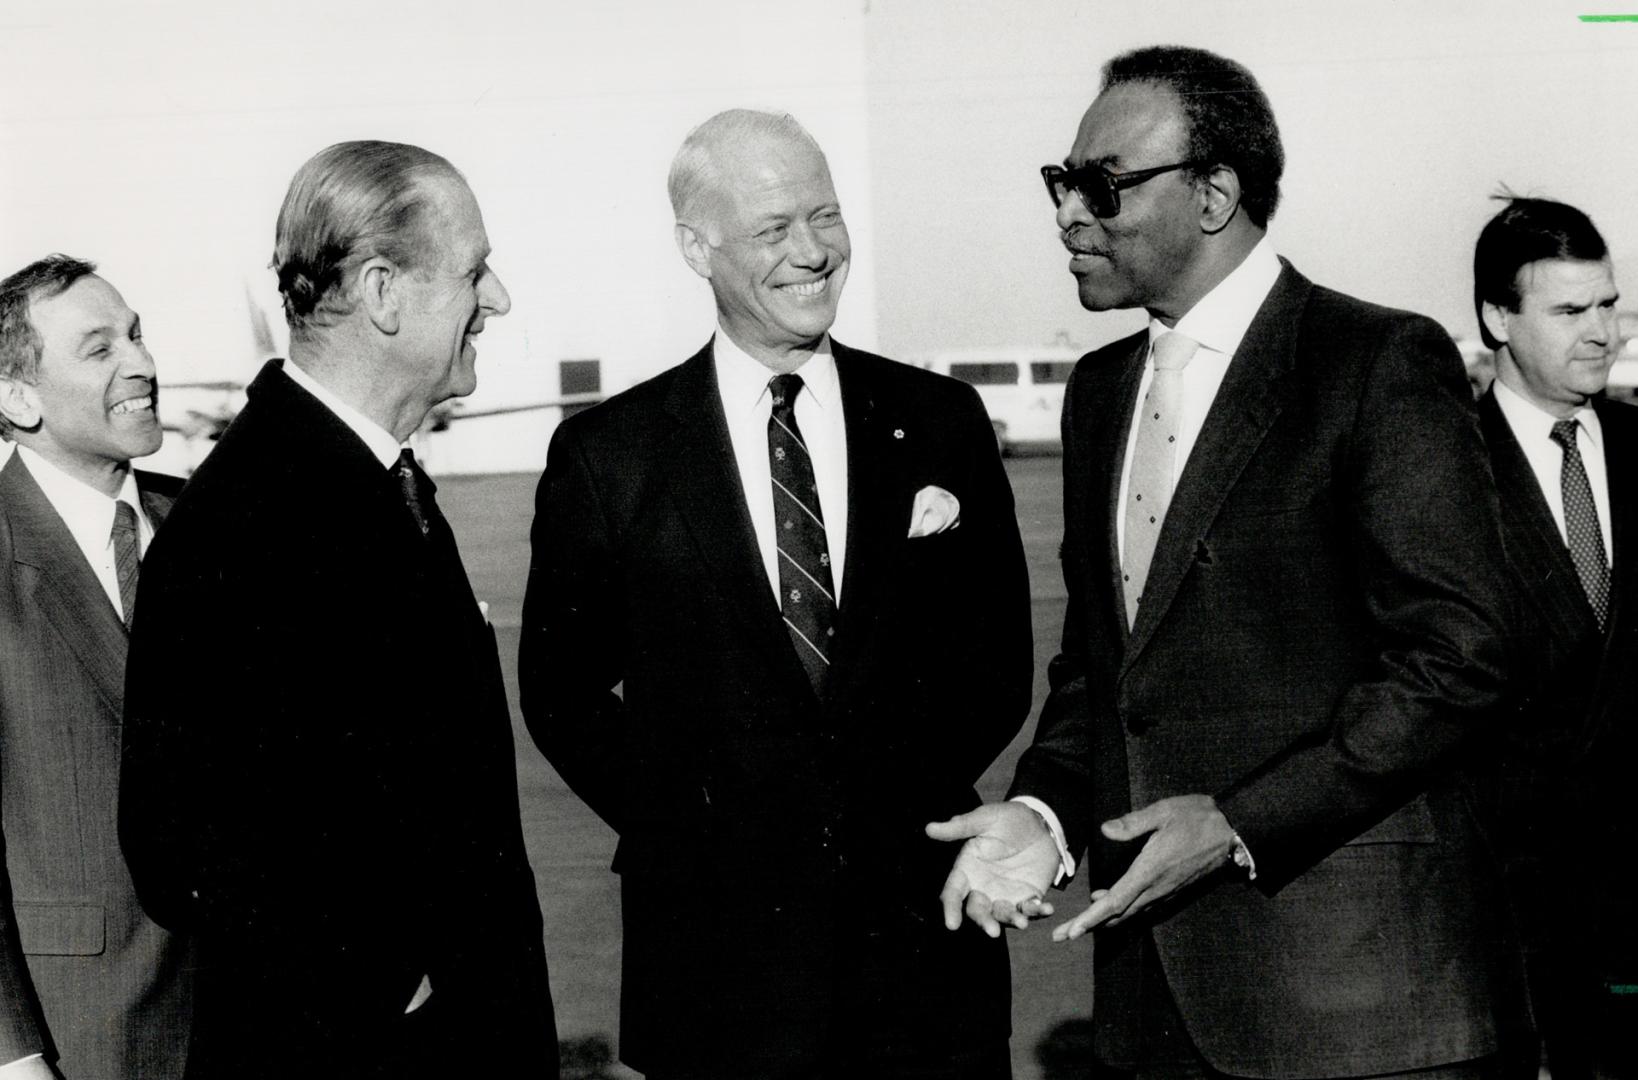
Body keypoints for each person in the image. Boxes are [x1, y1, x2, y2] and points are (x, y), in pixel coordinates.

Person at [929, 46, 1522, 1077]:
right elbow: (1110, 672)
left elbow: (1458, 656)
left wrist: (1241, 824)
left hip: (1361, 1013)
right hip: (1154, 1013)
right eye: (1062, 181)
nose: (1070, 213)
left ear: (1214, 195)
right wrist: (1042, 815)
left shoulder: (1374, 362)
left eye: (1103, 184)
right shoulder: (1102, 391)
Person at [520, 108, 1033, 1079]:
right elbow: (562, 691)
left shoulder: (939, 421)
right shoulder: (610, 456)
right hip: (711, 959)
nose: (812, 252)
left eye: (826, 216)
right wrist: (699, 823)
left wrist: (886, 809)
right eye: (771, 229)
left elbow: (995, 660)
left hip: (923, 943)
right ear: (695, 247)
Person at [118, 141, 556, 1078]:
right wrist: (397, 981)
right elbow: (175, 845)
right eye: (475, 271)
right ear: (384, 292)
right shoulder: (239, 524)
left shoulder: (385, 488)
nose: (501, 299)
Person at [0, 256, 192, 1079]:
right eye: (99, 347)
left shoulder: (211, 525)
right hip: (84, 1032)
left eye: (138, 336)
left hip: (264, 1018)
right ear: (19, 399)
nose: (142, 364)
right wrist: (14, 1056)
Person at [1470, 196, 1638, 1080]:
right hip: (1500, 914)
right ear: (1498, 317)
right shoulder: (1441, 466)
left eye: (1610, 305)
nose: (1603, 333)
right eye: (1571, 311)